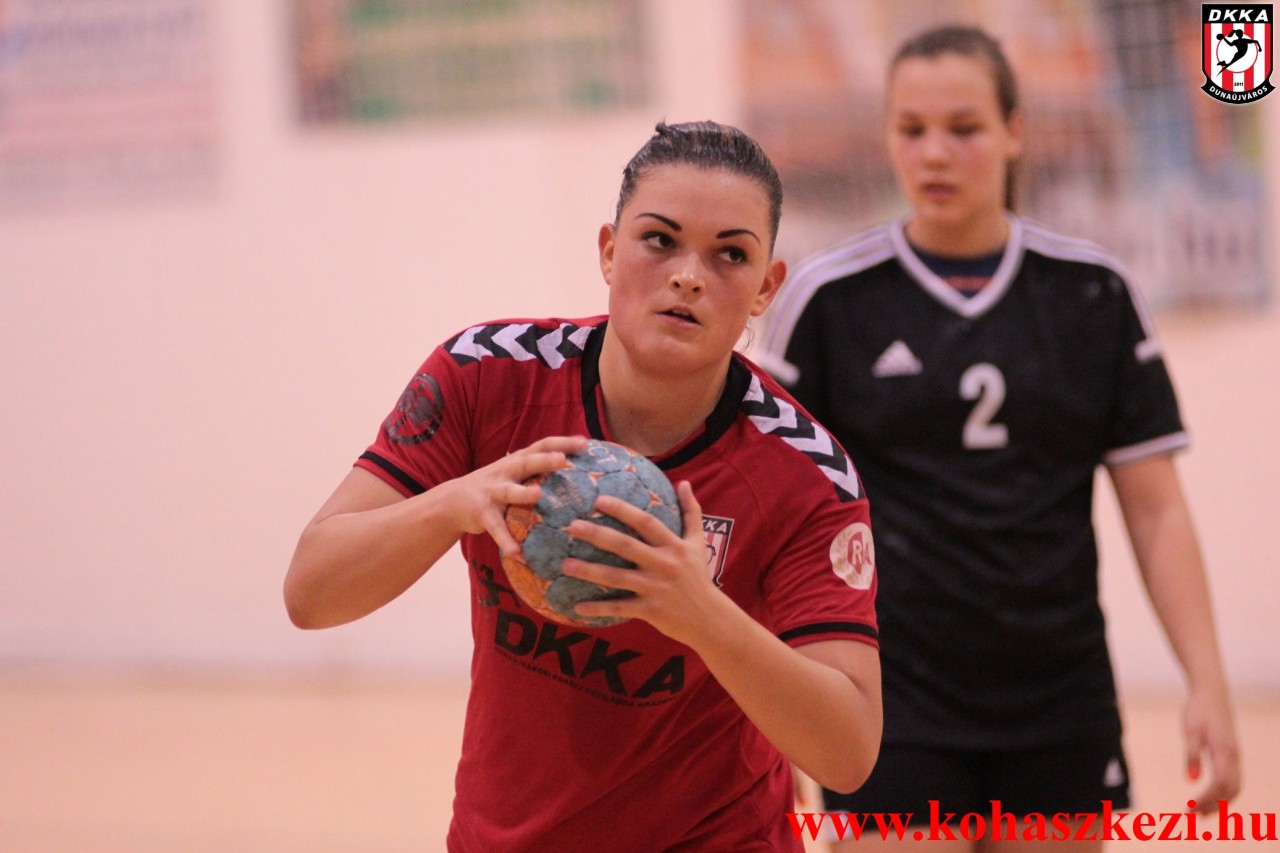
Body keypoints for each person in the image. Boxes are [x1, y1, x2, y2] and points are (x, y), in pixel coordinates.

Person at [284, 120, 882, 852]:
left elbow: (849, 753)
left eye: (730, 254)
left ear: (766, 288)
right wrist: (453, 503)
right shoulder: (485, 376)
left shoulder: (806, 475)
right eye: (659, 239)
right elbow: (310, 593)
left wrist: (700, 614)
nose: (689, 276)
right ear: (608, 250)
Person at [758, 26, 1241, 852]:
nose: (935, 153)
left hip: (1060, 697)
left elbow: (1156, 510)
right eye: (912, 129)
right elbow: (774, 506)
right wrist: (784, 693)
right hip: (889, 699)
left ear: (1015, 132)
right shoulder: (828, 299)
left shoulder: (1093, 292)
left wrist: (1208, 682)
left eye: (964, 128)